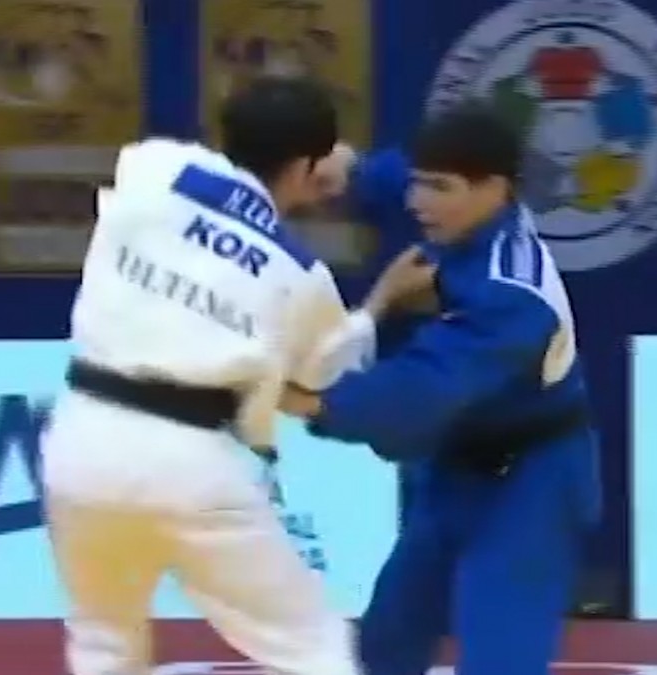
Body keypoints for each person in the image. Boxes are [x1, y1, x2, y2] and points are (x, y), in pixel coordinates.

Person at [38, 76, 429, 675]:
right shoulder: (302, 274)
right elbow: (320, 376)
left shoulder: (158, 167)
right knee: (313, 649)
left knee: (103, 641)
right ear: (309, 167)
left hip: (82, 441)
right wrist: (379, 304)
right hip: (192, 465)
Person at [281, 100, 603, 675]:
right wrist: (346, 168)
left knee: (499, 663)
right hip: (452, 467)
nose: (417, 201)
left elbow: (422, 390)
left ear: (495, 188)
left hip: (532, 481)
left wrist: (308, 400)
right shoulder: (455, 210)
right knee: (386, 646)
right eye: (418, 182)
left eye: (438, 188)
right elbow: (390, 177)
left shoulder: (513, 296)